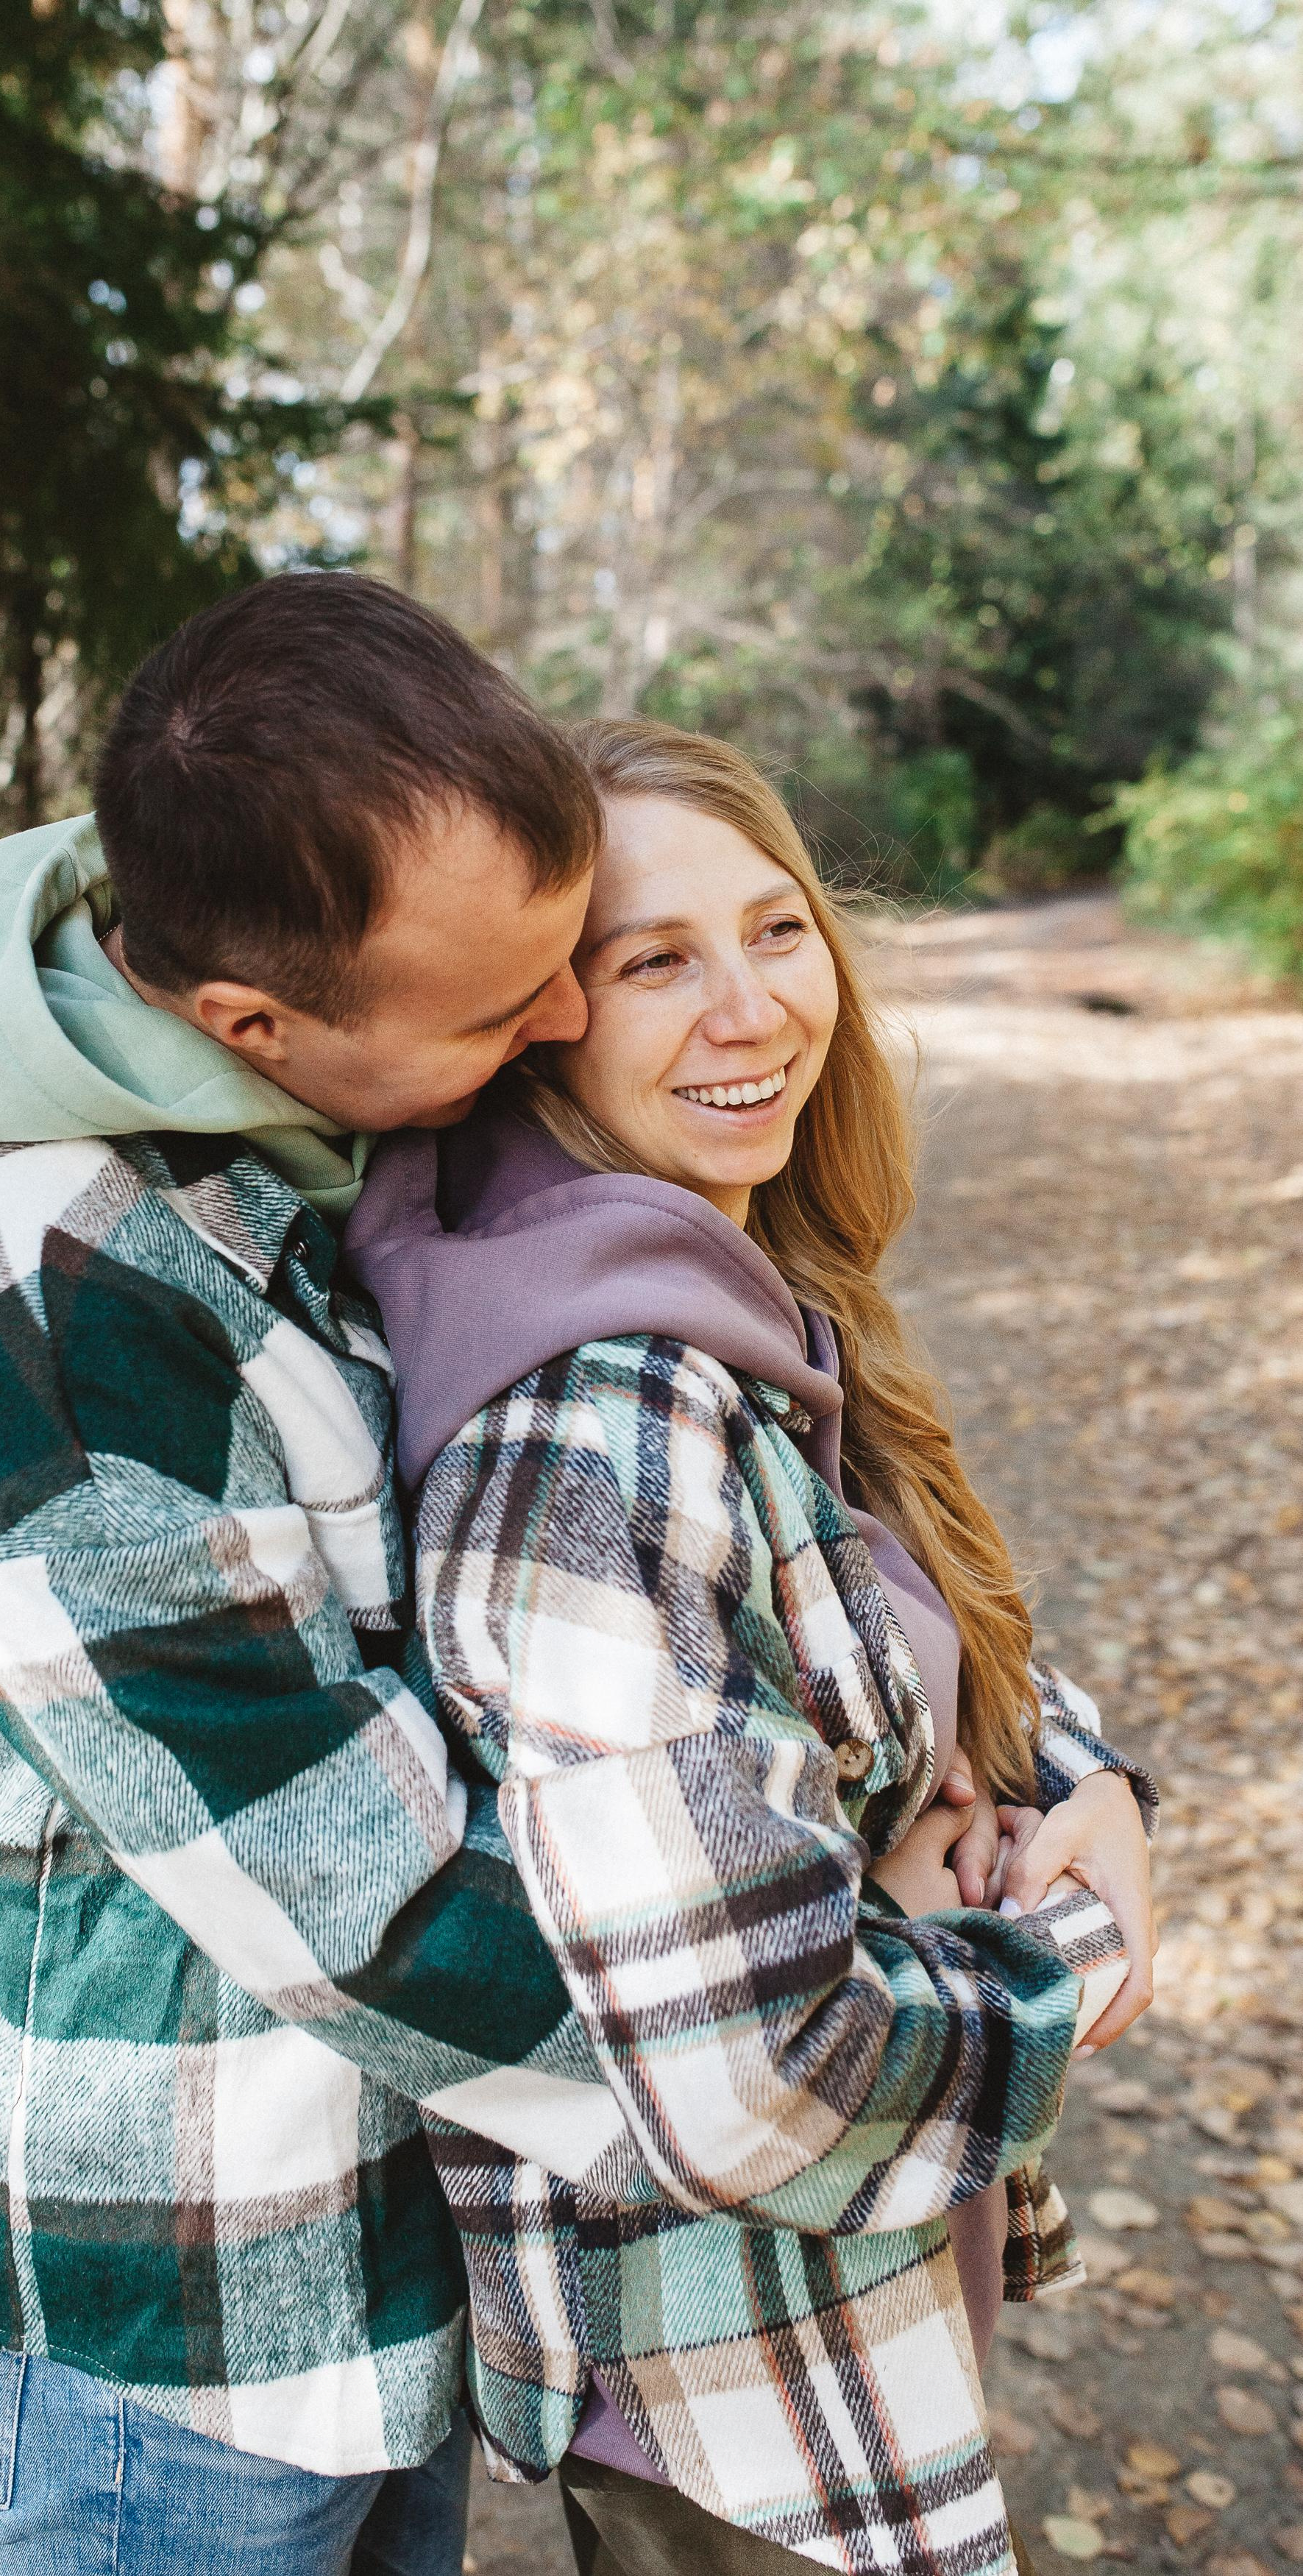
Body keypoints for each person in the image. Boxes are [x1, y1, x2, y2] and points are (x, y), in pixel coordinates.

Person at [0, 574, 651, 2575]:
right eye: (494, 1003)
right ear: (247, 1022)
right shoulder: (49, 1320)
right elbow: (347, 1899)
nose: (565, 1020)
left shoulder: (307, 1131)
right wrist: (791, 2060)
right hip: (162, 2327)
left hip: (385, 2237)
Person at [344, 717, 1157, 2576]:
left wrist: (1084, 1782)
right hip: (737, 2398)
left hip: (846, 2314)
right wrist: (1082, 1931)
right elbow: (750, 2074)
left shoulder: (723, 1294)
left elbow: (879, 1633)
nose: (752, 1010)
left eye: (777, 929)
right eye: (654, 961)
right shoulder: (593, 1426)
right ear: (543, 1019)